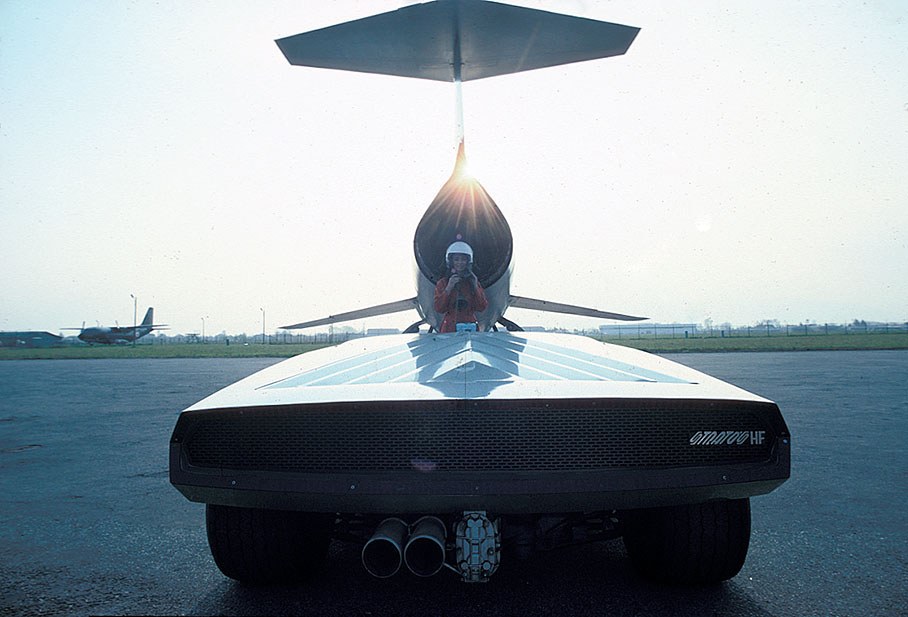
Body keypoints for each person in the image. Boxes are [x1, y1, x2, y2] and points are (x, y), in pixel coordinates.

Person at [434, 241, 488, 333]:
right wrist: (449, 288)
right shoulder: (443, 283)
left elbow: (481, 307)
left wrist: (475, 287)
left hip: (470, 326)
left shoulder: (472, 282)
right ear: (451, 262)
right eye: (456, 259)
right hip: (450, 327)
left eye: (463, 259)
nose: (460, 262)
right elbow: (439, 308)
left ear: (468, 262)